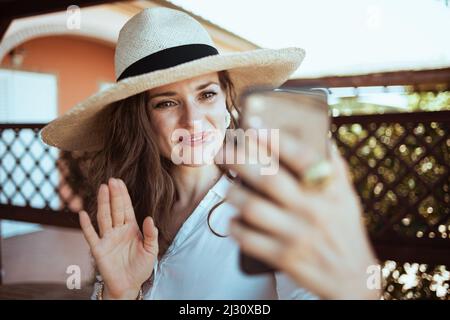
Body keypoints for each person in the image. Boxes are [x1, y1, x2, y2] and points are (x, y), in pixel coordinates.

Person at [41, 7, 380, 300]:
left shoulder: (270, 200)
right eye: (167, 103)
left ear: (227, 98)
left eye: (207, 95)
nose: (193, 121)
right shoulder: (127, 210)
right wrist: (119, 293)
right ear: (138, 120)